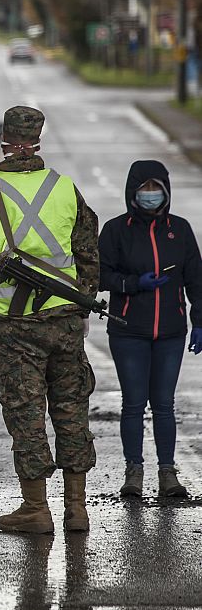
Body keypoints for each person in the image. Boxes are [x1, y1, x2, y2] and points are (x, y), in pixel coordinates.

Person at [0, 106, 99, 534]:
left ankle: (36, 509)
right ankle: (77, 508)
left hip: (16, 330)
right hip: (66, 322)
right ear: (37, 140)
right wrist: (84, 304)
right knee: (72, 411)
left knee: (26, 414)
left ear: (4, 141)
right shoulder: (65, 188)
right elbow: (89, 251)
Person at [98, 160, 202, 499]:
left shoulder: (181, 230)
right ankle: (133, 472)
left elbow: (196, 280)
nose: (150, 195)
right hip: (129, 330)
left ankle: (168, 473)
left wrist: (199, 321)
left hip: (171, 332)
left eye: (156, 188)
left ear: (166, 191)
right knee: (132, 403)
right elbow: (100, 276)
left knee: (164, 403)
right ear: (132, 192)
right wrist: (133, 283)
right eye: (144, 189)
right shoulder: (116, 231)